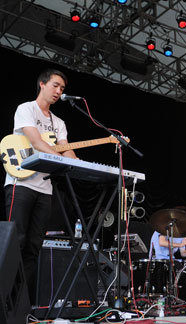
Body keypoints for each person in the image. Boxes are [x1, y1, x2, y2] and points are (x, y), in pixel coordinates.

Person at [4, 69, 77, 305]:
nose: (58, 91)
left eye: (62, 89)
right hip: (21, 182)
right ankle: (5, 300)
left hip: (45, 189)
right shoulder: (26, 109)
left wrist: (78, 162)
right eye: (55, 86)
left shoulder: (60, 123)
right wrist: (63, 157)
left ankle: (22, 303)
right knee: (16, 240)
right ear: (42, 84)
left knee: (34, 247)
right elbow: (35, 141)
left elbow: (66, 148)